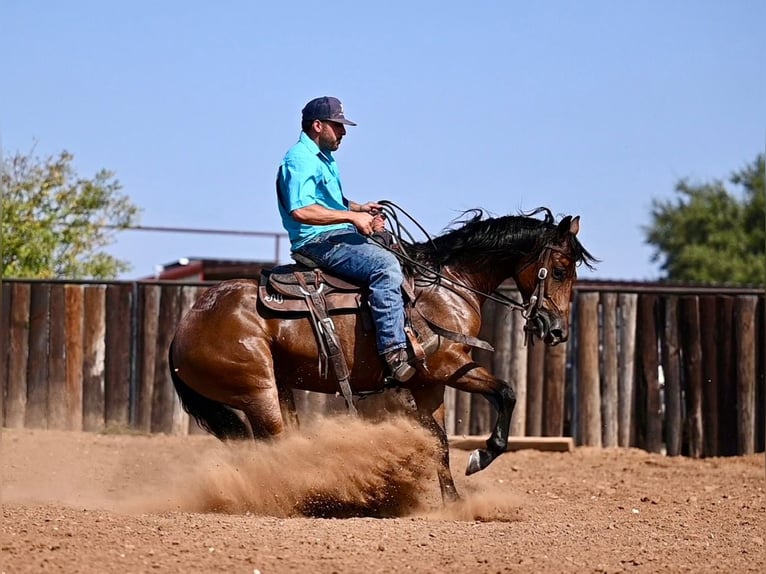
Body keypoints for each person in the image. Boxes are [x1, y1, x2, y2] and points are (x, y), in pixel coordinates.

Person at [276, 96, 415, 382]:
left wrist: (359, 208)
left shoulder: (325, 158)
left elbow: (329, 201)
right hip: (316, 242)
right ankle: (393, 352)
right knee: (385, 267)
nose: (343, 132)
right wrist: (352, 219)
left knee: (401, 252)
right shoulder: (299, 159)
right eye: (337, 125)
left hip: (335, 233)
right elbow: (301, 209)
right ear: (318, 125)